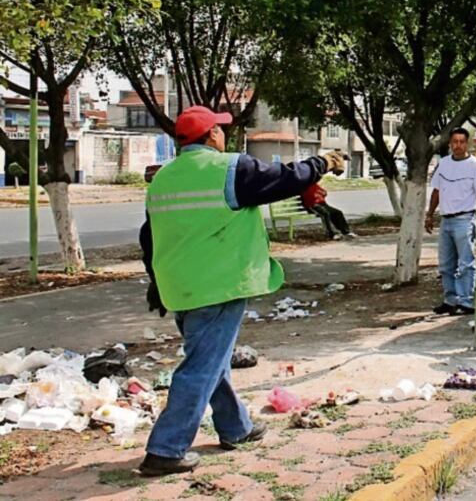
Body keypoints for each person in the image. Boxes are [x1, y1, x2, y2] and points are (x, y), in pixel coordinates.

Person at [138, 106, 343, 476]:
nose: (224, 134)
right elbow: (285, 178)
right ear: (211, 136)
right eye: (220, 128)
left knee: (212, 359)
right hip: (216, 284)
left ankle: (237, 428)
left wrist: (155, 283)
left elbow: (148, 236)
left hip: (176, 284)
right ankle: (165, 449)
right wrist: (323, 162)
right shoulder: (230, 169)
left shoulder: (164, 178)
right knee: (201, 366)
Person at [425, 127, 476, 315]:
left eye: (461, 142)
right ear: (450, 143)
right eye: (454, 142)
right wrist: (430, 214)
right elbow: (437, 190)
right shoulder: (444, 164)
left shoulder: (475, 166)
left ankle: (467, 301)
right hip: (446, 219)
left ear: (468, 143)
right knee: (446, 264)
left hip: (465, 218)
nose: (458, 145)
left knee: (466, 263)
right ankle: (450, 300)